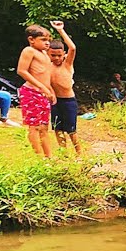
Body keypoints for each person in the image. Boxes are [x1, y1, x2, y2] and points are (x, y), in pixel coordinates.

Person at [16, 24, 56, 157]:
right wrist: (41, 87)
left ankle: (48, 156)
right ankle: (39, 157)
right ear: (31, 39)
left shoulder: (45, 54)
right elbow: (22, 71)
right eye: (43, 40)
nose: (47, 43)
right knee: (34, 126)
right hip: (31, 92)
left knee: (44, 127)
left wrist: (50, 90)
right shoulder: (29, 50)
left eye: (48, 40)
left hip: (44, 93)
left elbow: (46, 75)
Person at [47, 21, 81, 155]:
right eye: (53, 55)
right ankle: (63, 154)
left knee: (71, 129)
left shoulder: (67, 64)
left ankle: (79, 153)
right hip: (55, 101)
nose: (56, 58)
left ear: (64, 55)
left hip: (68, 101)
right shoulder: (46, 65)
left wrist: (60, 30)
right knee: (57, 128)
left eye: (59, 55)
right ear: (48, 54)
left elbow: (72, 48)